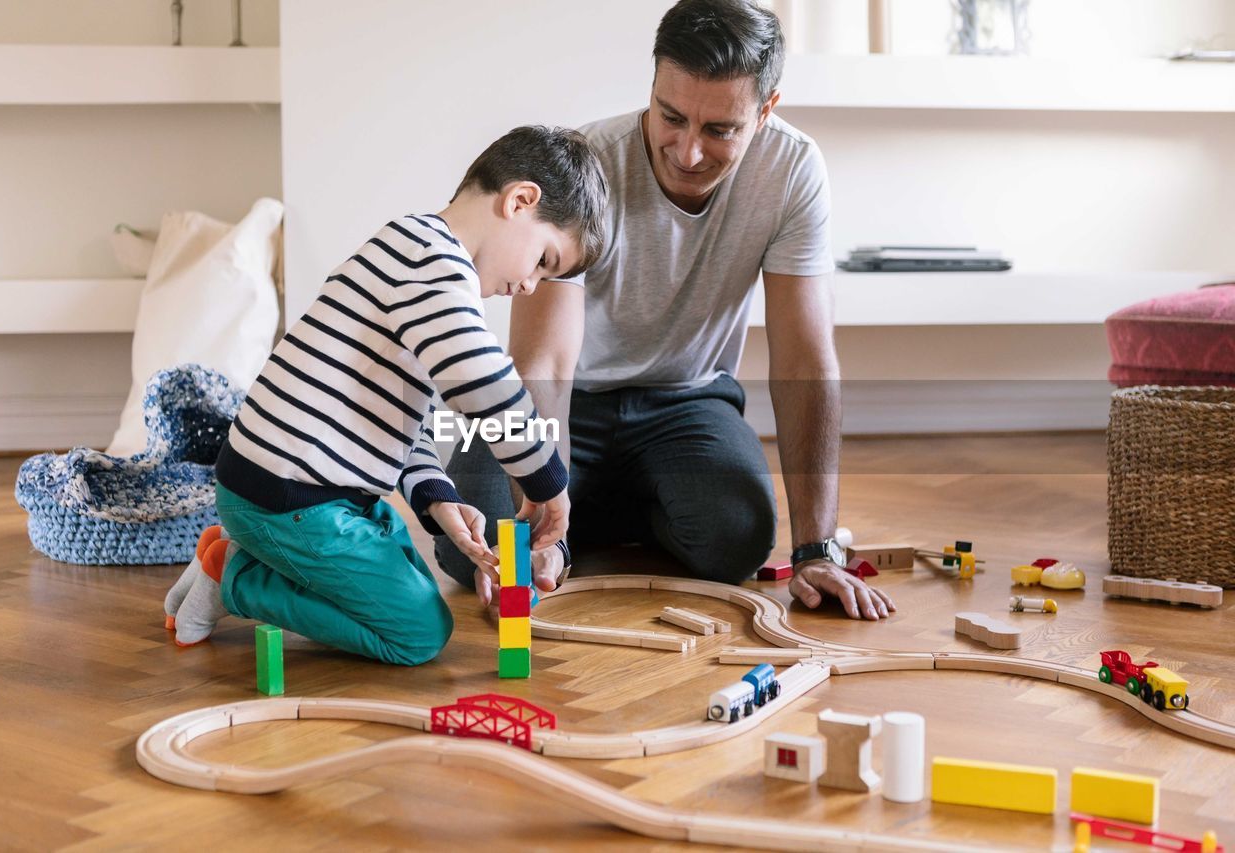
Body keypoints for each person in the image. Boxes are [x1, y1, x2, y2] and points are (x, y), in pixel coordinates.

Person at [435, 0, 896, 621]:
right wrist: (547, 520)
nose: (687, 152)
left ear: (765, 111)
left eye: (719, 130)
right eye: (670, 116)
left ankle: (602, 508)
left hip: (688, 401)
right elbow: (545, 360)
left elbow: (805, 357)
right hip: (570, 401)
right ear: (651, 86)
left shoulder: (792, 171)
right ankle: (583, 515)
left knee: (736, 537)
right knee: (472, 548)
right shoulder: (588, 163)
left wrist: (816, 550)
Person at [162, 125, 609, 664]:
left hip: (302, 492)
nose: (532, 286)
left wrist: (437, 497)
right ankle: (236, 576)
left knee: (402, 561)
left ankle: (248, 548)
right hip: (287, 497)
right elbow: (486, 386)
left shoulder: (409, 248)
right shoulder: (436, 265)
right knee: (418, 632)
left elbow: (400, 421)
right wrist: (547, 482)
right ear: (520, 201)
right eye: (544, 260)